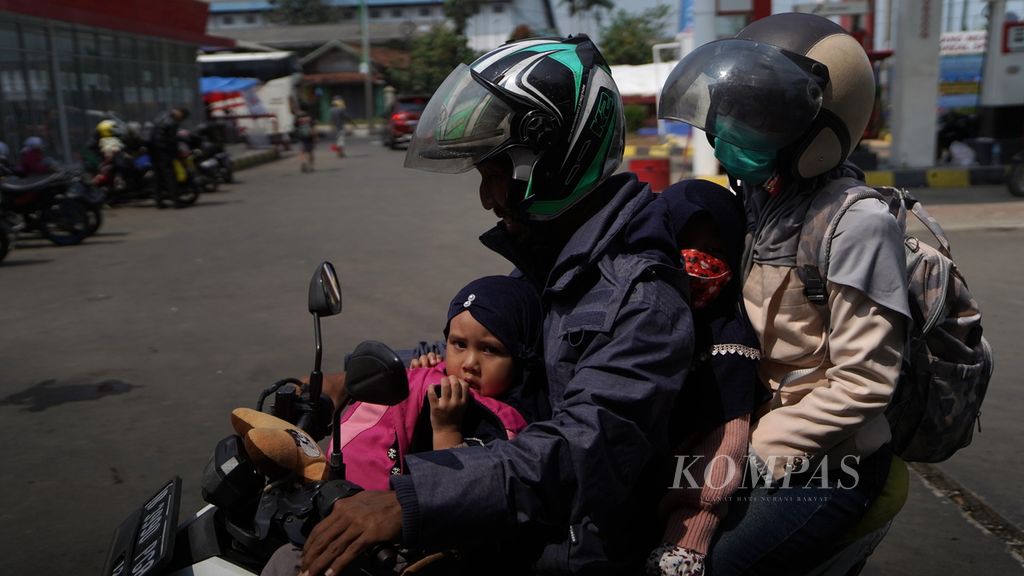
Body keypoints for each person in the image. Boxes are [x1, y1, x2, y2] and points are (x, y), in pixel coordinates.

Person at [299, 35, 694, 576]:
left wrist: (414, 498)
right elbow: (482, 337)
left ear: (551, 163)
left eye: (493, 175)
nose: (487, 198)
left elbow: (586, 447)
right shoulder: (558, 261)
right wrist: (348, 380)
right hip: (519, 511)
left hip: (576, 548)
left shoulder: (640, 299)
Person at [658, 13, 909, 574]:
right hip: (737, 431)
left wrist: (745, 459)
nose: (735, 126)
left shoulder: (856, 223)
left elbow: (864, 383)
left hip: (829, 457)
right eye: (737, 109)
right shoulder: (753, 201)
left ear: (825, 125)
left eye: (761, 115)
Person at [645, 181, 767, 576]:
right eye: (685, 244)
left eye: (715, 251)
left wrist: (685, 542)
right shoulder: (639, 313)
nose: (697, 262)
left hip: (676, 529)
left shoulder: (729, 343)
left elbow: (721, 454)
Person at [332, 275, 543, 491]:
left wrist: (447, 430)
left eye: (489, 349)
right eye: (459, 345)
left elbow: (454, 493)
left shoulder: (513, 432)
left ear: (521, 358)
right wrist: (424, 375)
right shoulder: (439, 385)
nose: (469, 364)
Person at [150, 106, 190, 208]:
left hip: (153, 149)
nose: (181, 120)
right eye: (182, 118)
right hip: (164, 151)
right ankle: (176, 202)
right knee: (170, 176)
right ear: (180, 114)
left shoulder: (161, 115)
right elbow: (172, 141)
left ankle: (159, 202)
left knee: (158, 176)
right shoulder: (172, 122)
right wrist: (177, 154)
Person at [295, 107, 316, 172]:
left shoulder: (298, 120)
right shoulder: (310, 119)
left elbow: (295, 128)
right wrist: (316, 137)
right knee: (310, 152)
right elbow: (313, 129)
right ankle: (311, 166)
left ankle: (303, 161)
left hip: (301, 138)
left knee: (302, 152)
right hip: (309, 138)